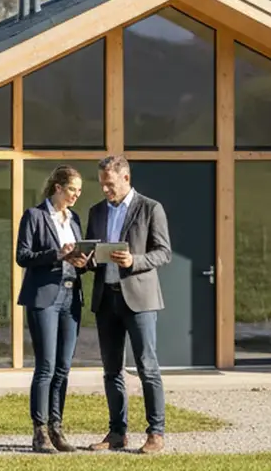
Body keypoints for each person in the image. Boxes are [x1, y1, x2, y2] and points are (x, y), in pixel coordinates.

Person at [82, 155, 172, 455]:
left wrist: (135, 260)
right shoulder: (96, 212)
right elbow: (92, 252)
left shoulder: (150, 208)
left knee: (147, 367)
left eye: (110, 184)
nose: (105, 190)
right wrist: (85, 261)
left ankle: (155, 433)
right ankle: (117, 433)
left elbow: (163, 253)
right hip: (106, 299)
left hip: (140, 299)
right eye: (102, 185)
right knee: (111, 371)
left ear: (126, 178)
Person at [15, 165, 90, 454]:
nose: (76, 195)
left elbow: (77, 257)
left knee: (63, 368)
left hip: (71, 297)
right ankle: (40, 432)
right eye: (72, 189)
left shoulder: (74, 219)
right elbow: (23, 256)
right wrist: (57, 254)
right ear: (57, 187)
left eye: (79, 190)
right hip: (44, 297)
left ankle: (57, 429)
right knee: (45, 367)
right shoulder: (34, 216)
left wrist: (81, 262)